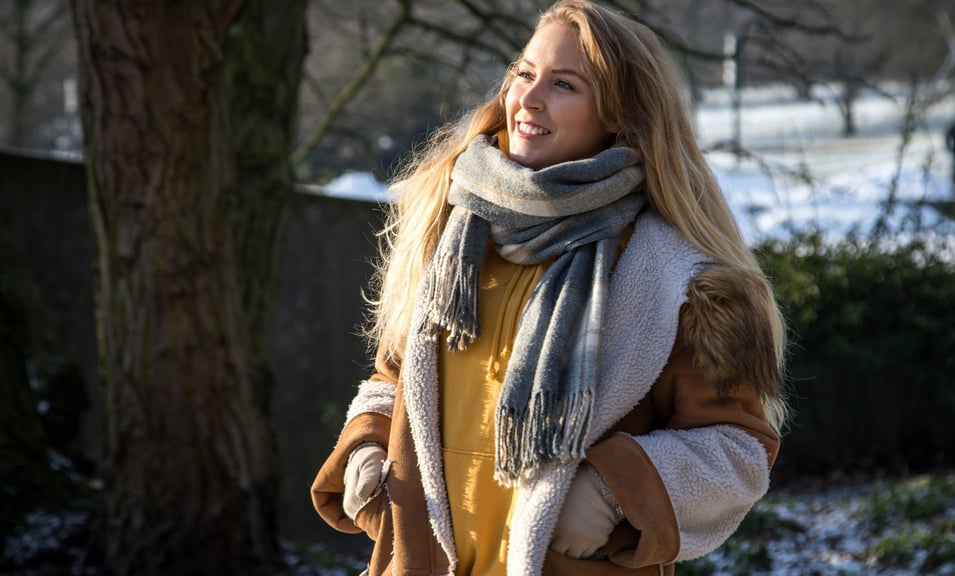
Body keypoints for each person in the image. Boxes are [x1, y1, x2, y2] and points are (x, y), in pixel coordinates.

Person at [310, 1, 789, 574]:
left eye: (564, 84)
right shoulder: (451, 232)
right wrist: (368, 446)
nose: (529, 99)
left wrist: (614, 490)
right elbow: (399, 377)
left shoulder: (675, 278)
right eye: (524, 73)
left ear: (619, 114)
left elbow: (738, 452)